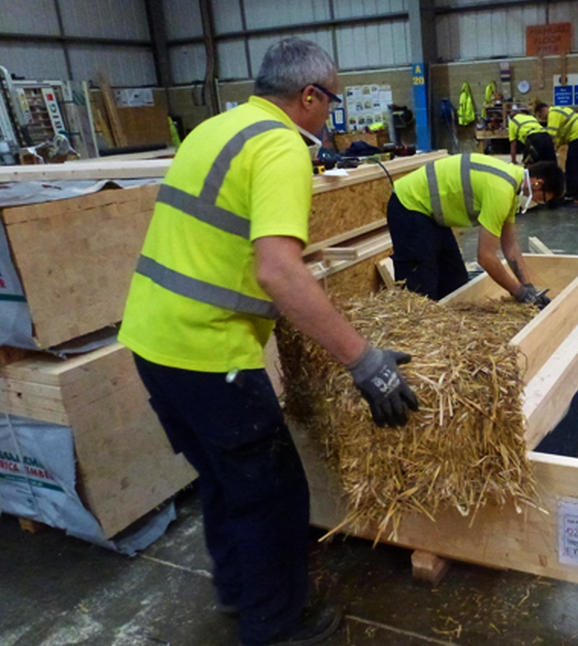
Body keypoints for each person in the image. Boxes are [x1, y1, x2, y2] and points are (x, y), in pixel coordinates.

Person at [118, 38, 419, 646]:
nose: (330, 118)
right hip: (209, 354)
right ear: (308, 96)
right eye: (330, 104)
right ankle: (277, 627)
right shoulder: (280, 145)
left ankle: (240, 595)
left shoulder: (215, 129)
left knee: (224, 483)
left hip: (151, 340)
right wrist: (365, 361)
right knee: (274, 494)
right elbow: (279, 271)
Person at [387, 153, 563, 305]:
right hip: (409, 206)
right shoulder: (501, 190)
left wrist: (528, 287)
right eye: (543, 198)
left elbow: (510, 247)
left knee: (454, 281)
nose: (539, 203)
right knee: (421, 288)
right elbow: (485, 257)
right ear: (537, 183)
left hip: (430, 214)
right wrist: (519, 292)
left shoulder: (511, 187)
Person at [535, 102, 578, 204]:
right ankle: (576, 192)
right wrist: (556, 147)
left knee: (573, 166)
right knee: (575, 165)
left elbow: (551, 135)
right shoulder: (557, 111)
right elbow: (560, 136)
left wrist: (547, 148)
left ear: (544, 110)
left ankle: (572, 194)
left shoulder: (553, 114)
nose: (542, 119)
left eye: (541, 116)